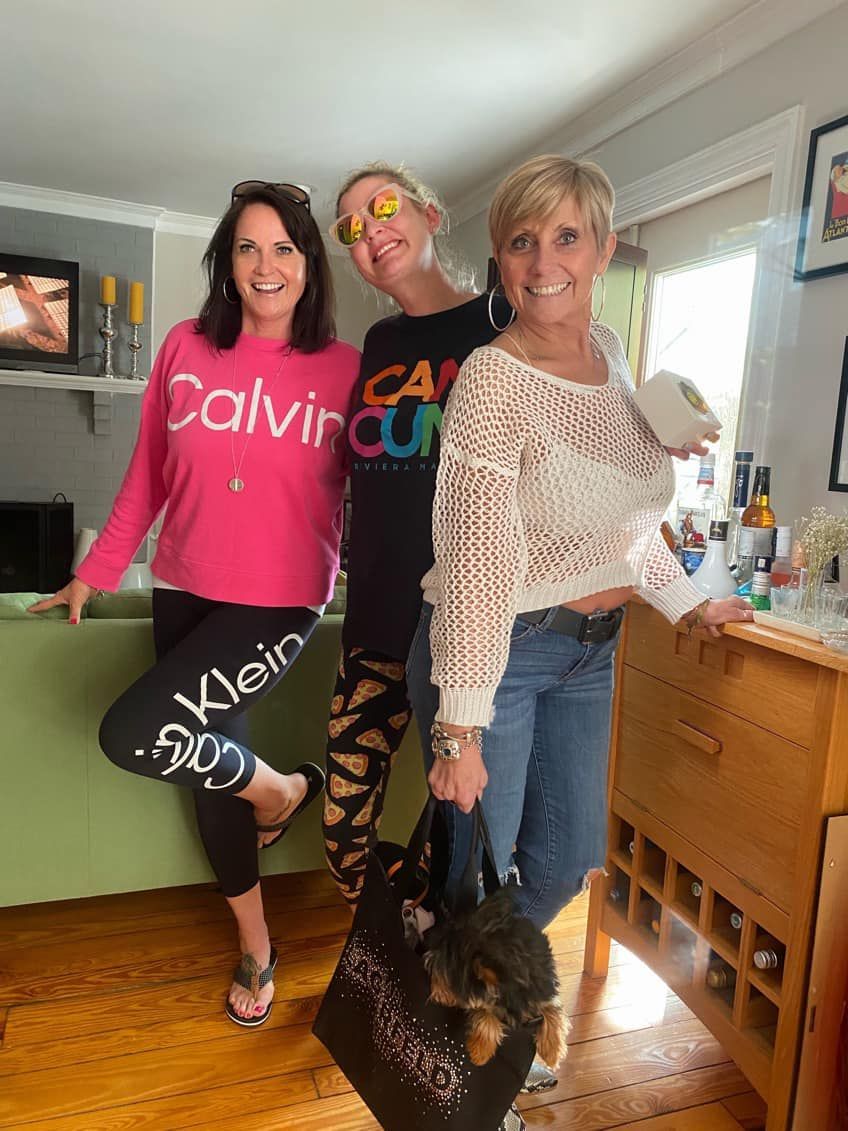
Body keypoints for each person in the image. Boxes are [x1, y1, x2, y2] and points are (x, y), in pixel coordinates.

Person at [29, 182, 360, 1027]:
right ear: (226, 263)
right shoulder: (184, 346)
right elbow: (147, 475)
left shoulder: (345, 370)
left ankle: (283, 791)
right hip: (183, 582)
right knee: (212, 766)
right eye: (248, 248)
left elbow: (377, 488)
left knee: (136, 732)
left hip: (280, 599)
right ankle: (257, 936)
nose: (266, 265)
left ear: (308, 264)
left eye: (284, 247)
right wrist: (95, 572)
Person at [406, 154, 754, 933]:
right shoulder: (492, 380)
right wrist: (459, 726)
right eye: (522, 241)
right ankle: (468, 1030)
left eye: (566, 237)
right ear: (501, 260)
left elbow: (621, 530)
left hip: (590, 654)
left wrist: (690, 602)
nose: (543, 262)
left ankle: (474, 984)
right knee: (478, 879)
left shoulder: (612, 356)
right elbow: (474, 564)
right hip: (498, 653)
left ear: (602, 248)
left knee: (565, 862)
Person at [322, 164, 509, 906]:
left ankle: (438, 971)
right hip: (372, 616)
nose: (370, 231)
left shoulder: (502, 322)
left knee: (461, 832)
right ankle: (400, 930)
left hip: (457, 628)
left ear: (432, 213)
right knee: (344, 837)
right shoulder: (377, 340)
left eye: (384, 207)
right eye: (352, 227)